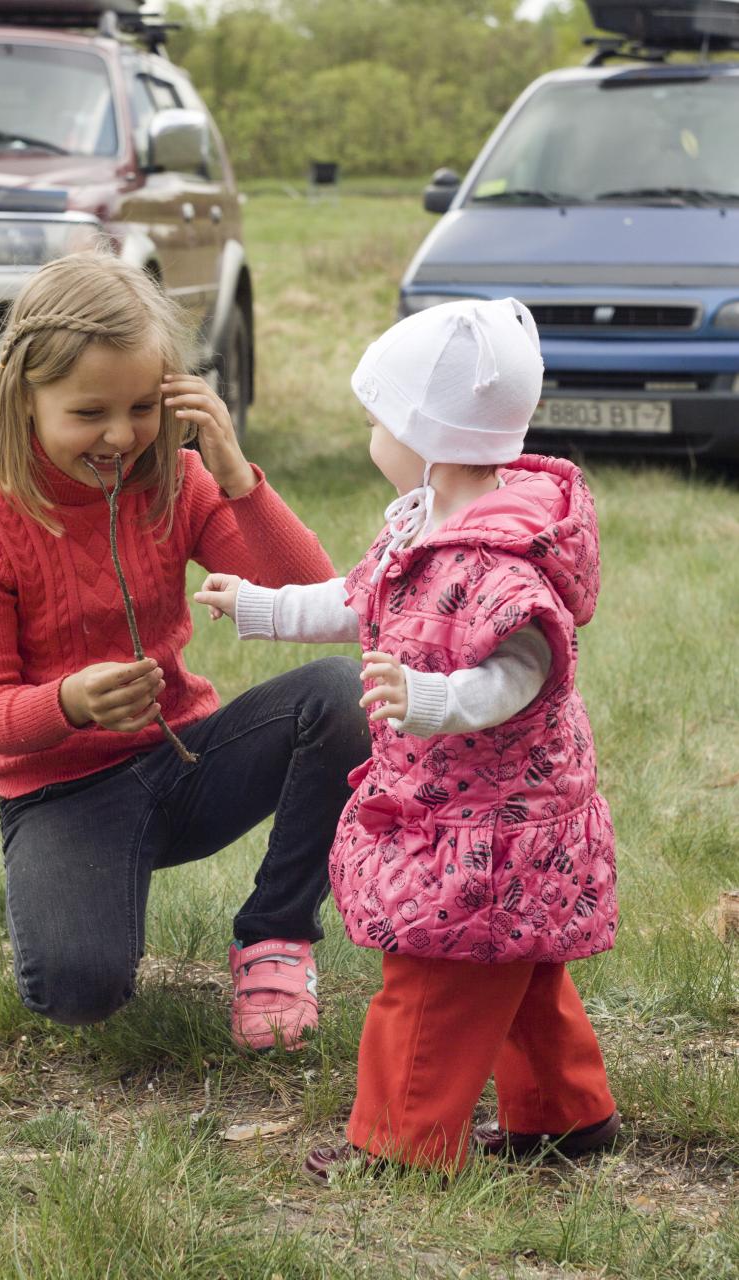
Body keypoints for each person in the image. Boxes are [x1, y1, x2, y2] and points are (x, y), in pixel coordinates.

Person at [194, 298, 621, 1180]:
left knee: (431, 978)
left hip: (490, 826)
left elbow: (524, 670)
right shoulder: (423, 526)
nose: (369, 436)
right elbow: (358, 598)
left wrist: (431, 699)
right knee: (518, 968)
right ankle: (565, 1115)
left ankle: (401, 1147)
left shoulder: (496, 558)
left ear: (429, 436)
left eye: (375, 420)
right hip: (480, 811)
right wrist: (260, 606)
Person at [0, 253, 369, 1053]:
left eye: (142, 408)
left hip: (186, 763)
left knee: (345, 695)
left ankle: (274, 937)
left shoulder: (178, 481)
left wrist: (236, 476)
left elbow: (320, 598)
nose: (119, 435)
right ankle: (92, 895)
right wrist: (69, 702)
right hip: (63, 797)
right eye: (89, 412)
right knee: (79, 991)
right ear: (25, 397)